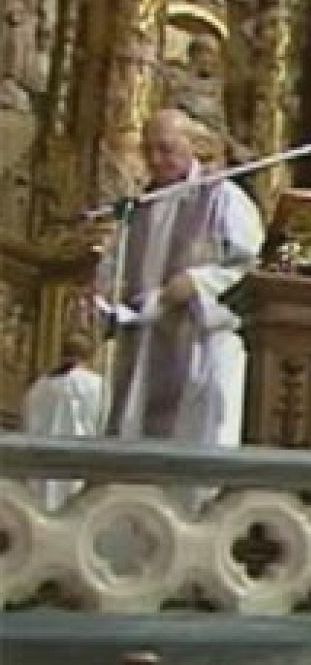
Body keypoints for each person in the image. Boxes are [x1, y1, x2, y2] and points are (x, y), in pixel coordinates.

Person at [100, 108, 264, 448]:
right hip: (144, 350)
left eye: (166, 149)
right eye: (148, 151)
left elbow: (251, 271)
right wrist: (108, 299)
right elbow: (114, 270)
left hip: (201, 347)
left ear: (194, 146)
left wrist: (197, 283)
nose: (155, 160)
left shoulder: (223, 198)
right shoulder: (138, 209)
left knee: (195, 438)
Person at [22, 332, 106, 510]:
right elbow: (102, 425)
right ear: (90, 356)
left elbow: (27, 423)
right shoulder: (96, 384)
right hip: (77, 464)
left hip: (39, 465)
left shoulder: (38, 386)